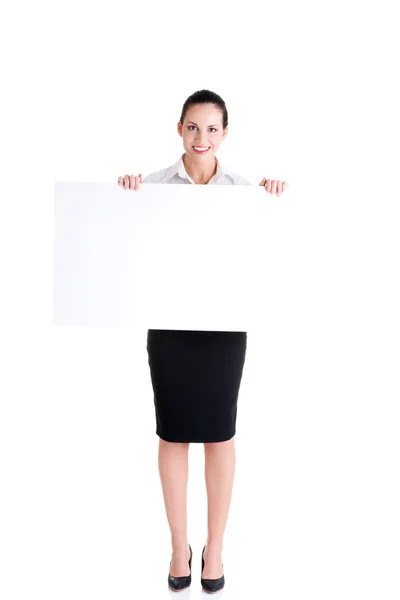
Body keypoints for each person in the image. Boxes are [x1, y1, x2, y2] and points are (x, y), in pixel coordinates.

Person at [117, 89, 288, 592]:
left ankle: (215, 547)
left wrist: (274, 199)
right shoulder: (150, 186)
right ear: (179, 129)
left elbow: (270, 251)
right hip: (169, 326)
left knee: (219, 432)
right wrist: (123, 194)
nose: (201, 137)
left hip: (222, 327)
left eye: (212, 128)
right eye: (193, 127)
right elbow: (122, 244)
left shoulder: (245, 189)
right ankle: (178, 546)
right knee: (173, 433)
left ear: (225, 134)